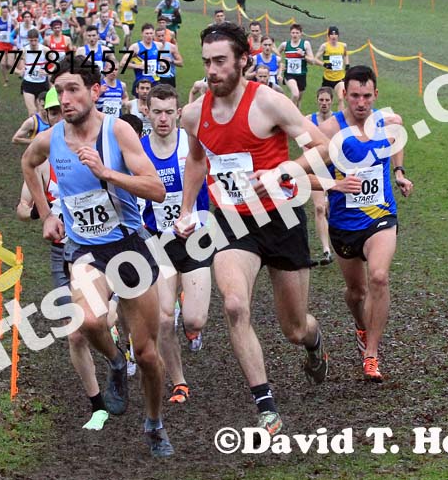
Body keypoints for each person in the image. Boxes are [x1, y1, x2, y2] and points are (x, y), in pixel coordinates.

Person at [175, 22, 332, 437]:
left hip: (279, 219)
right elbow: (195, 160)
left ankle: (314, 344)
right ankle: (266, 407)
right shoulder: (194, 114)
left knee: (294, 328)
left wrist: (283, 170)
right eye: (207, 61)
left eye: (220, 61)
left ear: (244, 60)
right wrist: (188, 209)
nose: (212, 70)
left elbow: (321, 149)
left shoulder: (270, 103)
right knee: (234, 306)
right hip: (230, 223)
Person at [21, 56, 174, 457]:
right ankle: (115, 363)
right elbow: (27, 162)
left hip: (129, 248)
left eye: (73, 89)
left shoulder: (117, 132)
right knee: (87, 319)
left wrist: (108, 173)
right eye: (60, 91)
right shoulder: (52, 138)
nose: (65, 98)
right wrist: (47, 212)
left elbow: (155, 189)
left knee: (150, 355)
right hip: (85, 249)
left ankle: (154, 422)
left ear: (95, 91)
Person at [319, 66, 413, 382]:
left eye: (367, 96)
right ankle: (361, 326)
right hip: (344, 222)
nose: (361, 102)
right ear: (344, 93)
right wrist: (335, 185)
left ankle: (371, 354)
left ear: (376, 95)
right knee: (356, 292)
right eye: (355, 95)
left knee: (379, 277)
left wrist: (399, 172)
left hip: (380, 215)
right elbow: (305, 176)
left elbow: (398, 134)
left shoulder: (386, 121)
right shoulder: (330, 130)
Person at [140, 84, 213, 403]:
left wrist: (198, 219)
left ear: (179, 113)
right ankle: (179, 382)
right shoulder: (138, 151)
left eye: (169, 112)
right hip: (159, 244)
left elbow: (211, 190)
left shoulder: (192, 145)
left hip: (196, 240)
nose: (163, 119)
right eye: (157, 112)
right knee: (164, 318)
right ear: (147, 112)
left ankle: (192, 322)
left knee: (195, 320)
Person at [305, 87, 336, 265]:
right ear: (317, 100)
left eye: (327, 100)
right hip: (315, 167)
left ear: (331, 101)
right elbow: (303, 144)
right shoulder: (309, 120)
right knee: (319, 208)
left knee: (331, 207)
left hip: (333, 168)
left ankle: (337, 241)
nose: (324, 103)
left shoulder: (338, 120)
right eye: (321, 100)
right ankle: (326, 250)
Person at [16, 28, 52, 116]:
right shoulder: (23, 51)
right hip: (28, 84)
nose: (33, 43)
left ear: (38, 39)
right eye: (31, 40)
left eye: (35, 40)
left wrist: (47, 71)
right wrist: (19, 72)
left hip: (42, 84)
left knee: (42, 112)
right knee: (32, 112)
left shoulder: (45, 50)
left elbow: (56, 65)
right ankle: (33, 129)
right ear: (28, 39)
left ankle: (41, 129)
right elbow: (14, 69)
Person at [279, 23, 314, 109]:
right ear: (290, 33)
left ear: (301, 33)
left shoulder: (305, 44)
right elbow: (275, 56)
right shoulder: (285, 45)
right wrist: (280, 68)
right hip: (289, 74)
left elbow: (312, 61)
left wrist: (303, 54)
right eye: (293, 33)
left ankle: (297, 119)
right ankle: (287, 112)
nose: (295, 35)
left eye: (297, 33)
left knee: (298, 100)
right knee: (295, 94)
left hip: (301, 75)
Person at [313, 26, 349, 111]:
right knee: (325, 101)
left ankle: (340, 120)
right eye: (331, 35)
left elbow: (346, 54)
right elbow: (315, 59)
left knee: (341, 98)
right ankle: (325, 117)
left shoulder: (343, 46)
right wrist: (324, 64)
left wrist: (347, 64)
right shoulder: (324, 46)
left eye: (335, 34)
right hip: (327, 78)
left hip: (339, 78)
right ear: (328, 36)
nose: (333, 36)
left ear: (338, 36)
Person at [122, 23, 160, 95]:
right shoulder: (136, 47)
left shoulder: (158, 46)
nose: (149, 36)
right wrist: (139, 66)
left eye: (151, 33)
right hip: (141, 83)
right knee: (139, 104)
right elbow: (122, 63)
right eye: (147, 33)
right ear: (142, 34)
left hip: (155, 81)